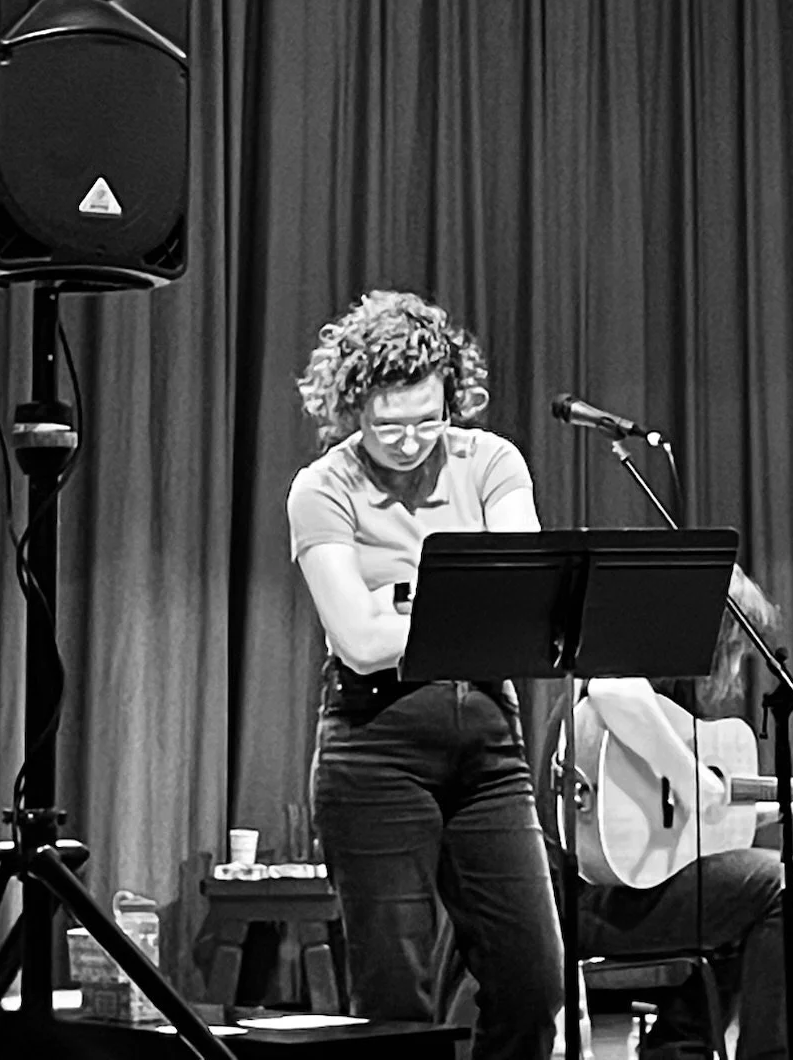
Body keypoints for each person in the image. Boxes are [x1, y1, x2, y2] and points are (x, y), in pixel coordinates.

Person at [287, 288, 565, 1060]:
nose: (410, 442)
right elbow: (359, 643)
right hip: (375, 747)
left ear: (453, 399)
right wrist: (457, 603)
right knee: (394, 998)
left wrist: (400, 600)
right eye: (388, 425)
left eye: (428, 420)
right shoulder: (322, 488)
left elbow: (521, 601)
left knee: (533, 981)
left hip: (489, 744)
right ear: (352, 407)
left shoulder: (492, 462)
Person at [533, 567, 793, 1060]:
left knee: (745, 889)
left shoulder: (669, 707)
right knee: (785, 885)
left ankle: (679, 1046)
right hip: (583, 899)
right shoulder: (624, 681)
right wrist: (690, 779)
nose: (734, 669)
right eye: (733, 650)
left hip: (620, 894)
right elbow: (610, 690)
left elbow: (699, 823)